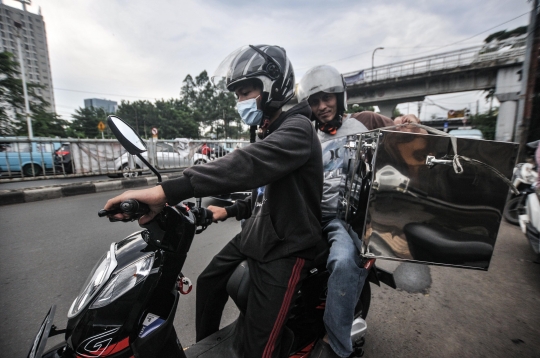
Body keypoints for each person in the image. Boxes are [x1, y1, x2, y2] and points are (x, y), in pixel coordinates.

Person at [104, 44, 323, 358]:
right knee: (208, 282)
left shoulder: (298, 130)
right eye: (237, 95)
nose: (241, 102)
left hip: (287, 248)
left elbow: (247, 164)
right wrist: (219, 211)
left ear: (274, 87)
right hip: (258, 236)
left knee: (259, 349)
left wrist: (166, 191)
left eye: (247, 92)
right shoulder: (271, 130)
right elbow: (263, 194)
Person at [296, 65, 391, 358]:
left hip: (340, 218)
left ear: (340, 97)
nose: (322, 107)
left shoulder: (359, 130)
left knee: (345, 260)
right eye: (315, 101)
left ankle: (334, 345)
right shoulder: (305, 133)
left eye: (328, 98)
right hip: (308, 215)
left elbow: (383, 160)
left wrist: (407, 122)